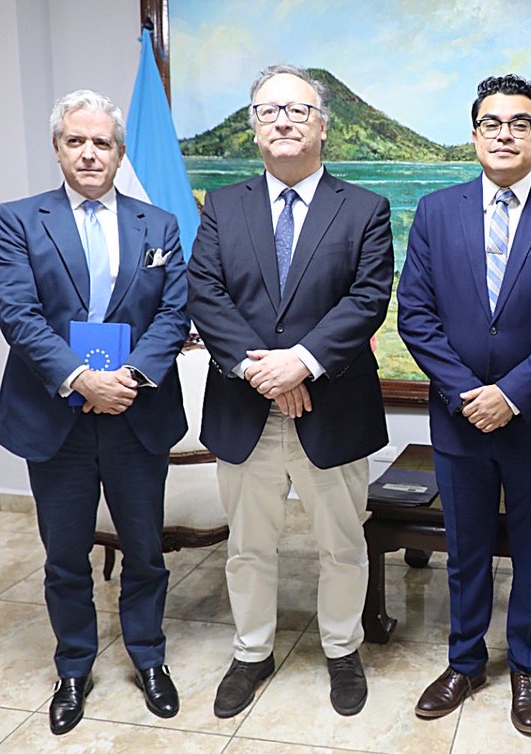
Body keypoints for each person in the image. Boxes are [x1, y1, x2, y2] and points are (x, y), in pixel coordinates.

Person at [397, 74, 531, 735]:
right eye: (492, 123)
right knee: (465, 550)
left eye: (520, 123)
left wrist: (512, 395)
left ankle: (527, 667)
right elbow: (415, 315)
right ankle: (464, 662)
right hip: (459, 419)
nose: (505, 134)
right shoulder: (436, 210)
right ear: (474, 135)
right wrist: (467, 394)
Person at [187, 65, 393, 719]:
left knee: (343, 544)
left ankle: (342, 650)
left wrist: (300, 364)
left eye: (298, 110)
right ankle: (251, 652)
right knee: (248, 546)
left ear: (322, 126)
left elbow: (367, 299)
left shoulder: (364, 209)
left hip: (332, 408)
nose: (282, 120)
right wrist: (263, 373)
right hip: (244, 408)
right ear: (253, 129)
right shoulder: (222, 206)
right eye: (268, 110)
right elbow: (205, 294)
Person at [0, 89, 191, 734]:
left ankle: (149, 657)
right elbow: (17, 313)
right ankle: (74, 667)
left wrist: (125, 379)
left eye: (101, 142)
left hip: (135, 413)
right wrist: (81, 379)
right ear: (57, 148)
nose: (89, 153)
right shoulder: (20, 220)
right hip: (56, 420)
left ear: (119, 152)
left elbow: (173, 312)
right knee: (65, 556)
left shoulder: (158, 224)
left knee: (145, 551)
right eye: (75, 140)